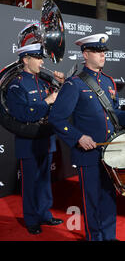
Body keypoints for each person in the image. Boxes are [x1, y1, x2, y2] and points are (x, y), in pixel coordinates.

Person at [48, 33, 125, 241]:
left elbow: (113, 114)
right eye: (98, 51)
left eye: (104, 52)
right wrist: (78, 137)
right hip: (88, 154)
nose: (103, 55)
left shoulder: (108, 81)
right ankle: (95, 238)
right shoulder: (74, 84)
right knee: (92, 200)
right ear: (85, 54)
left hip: (110, 152)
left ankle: (109, 236)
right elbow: (56, 118)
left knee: (109, 197)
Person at [6, 25, 64, 235]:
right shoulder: (16, 85)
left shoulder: (43, 82)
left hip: (46, 139)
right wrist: (47, 101)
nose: (41, 62)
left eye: (41, 58)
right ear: (25, 60)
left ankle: (45, 214)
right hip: (28, 143)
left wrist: (62, 85)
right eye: (37, 58)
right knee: (31, 184)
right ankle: (31, 219)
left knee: (45, 181)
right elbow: (22, 114)